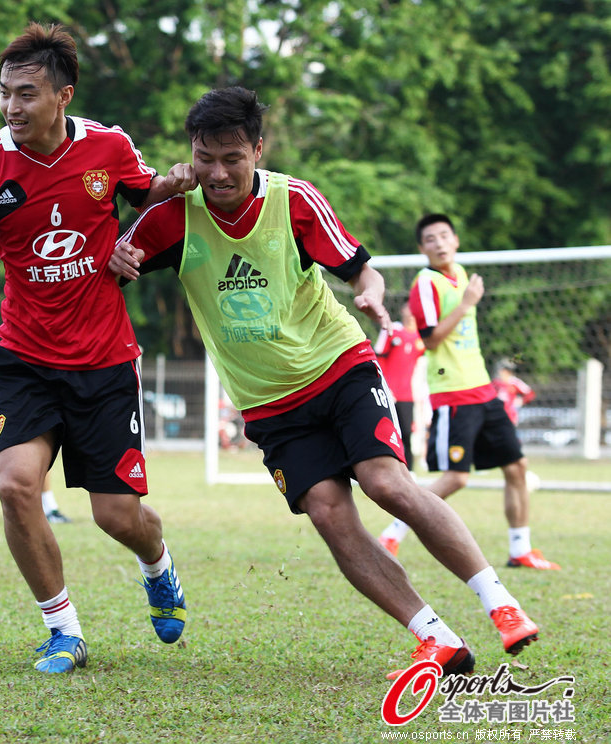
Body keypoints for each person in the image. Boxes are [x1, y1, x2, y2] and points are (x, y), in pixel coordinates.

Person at [111, 86, 541, 678]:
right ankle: (435, 636)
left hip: (338, 367)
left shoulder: (294, 202)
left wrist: (370, 291)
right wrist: (117, 255)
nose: (217, 172)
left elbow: (360, 267)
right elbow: (109, 259)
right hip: (267, 403)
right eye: (204, 157)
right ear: (191, 151)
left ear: (257, 151)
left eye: (232, 158)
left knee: (386, 483)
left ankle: (501, 604)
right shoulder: (170, 217)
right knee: (329, 512)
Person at [0, 23, 195, 673]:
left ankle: (157, 564)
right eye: (3, 93)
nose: (10, 108)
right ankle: (64, 631)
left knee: (118, 516)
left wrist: (161, 205)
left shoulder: (109, 147)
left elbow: (146, 197)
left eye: (26, 94)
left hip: (105, 361)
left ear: (63, 95)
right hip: (24, 356)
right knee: (15, 484)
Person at [377, 214, 560, 571]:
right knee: (457, 477)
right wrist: (466, 304)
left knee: (517, 467)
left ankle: (520, 549)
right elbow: (430, 338)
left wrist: (467, 299)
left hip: (484, 390)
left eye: (445, 236)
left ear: (456, 240)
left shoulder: (461, 274)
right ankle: (392, 534)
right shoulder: (425, 283)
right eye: (431, 239)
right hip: (453, 392)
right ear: (421, 248)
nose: (440, 243)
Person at [373, 303, 425, 469]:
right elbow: (378, 356)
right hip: (388, 392)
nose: (410, 313)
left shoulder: (421, 339)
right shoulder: (392, 330)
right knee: (384, 431)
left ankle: (409, 470)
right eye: (408, 309)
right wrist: (384, 386)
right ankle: (382, 467)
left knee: (407, 433)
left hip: (407, 395)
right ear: (402, 311)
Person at [492, 358, 536, 425]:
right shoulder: (496, 383)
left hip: (510, 416)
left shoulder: (514, 382)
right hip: (496, 415)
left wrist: (521, 401)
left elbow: (530, 394)